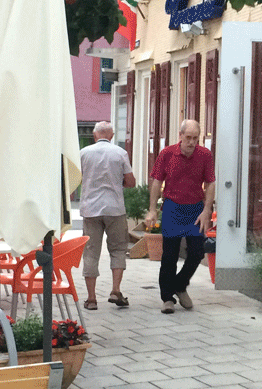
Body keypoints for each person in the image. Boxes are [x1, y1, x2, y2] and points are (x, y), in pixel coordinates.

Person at [144, 119, 215, 314]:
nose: (192, 142)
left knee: (197, 252)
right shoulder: (167, 154)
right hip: (173, 208)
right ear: (180, 136)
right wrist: (152, 209)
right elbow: (157, 181)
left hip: (195, 210)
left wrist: (206, 210)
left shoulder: (205, 155)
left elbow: (210, 183)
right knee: (170, 255)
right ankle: (167, 298)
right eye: (189, 137)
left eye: (196, 138)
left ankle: (180, 284)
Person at [79, 121, 135, 310]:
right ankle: (115, 290)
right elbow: (130, 181)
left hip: (90, 209)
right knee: (118, 249)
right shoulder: (120, 153)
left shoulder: (84, 153)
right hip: (114, 208)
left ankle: (91, 298)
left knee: (91, 252)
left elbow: (76, 178)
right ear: (111, 136)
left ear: (95, 136)